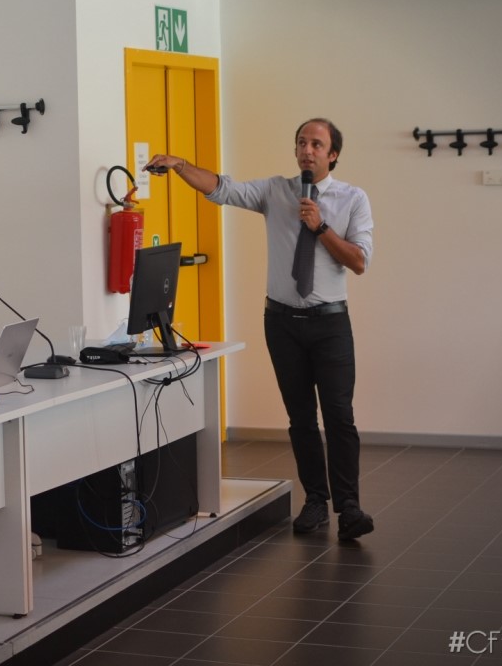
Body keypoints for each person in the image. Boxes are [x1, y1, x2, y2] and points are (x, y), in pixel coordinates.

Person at [146, 118, 375, 540]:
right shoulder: (275, 190)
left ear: (333, 155)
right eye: (302, 142)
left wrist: (321, 227)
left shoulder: (353, 199)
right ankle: (316, 501)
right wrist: (180, 165)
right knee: (301, 418)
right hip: (282, 323)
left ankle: (350, 508)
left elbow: (359, 261)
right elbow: (223, 189)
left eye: (317, 144)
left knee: (339, 416)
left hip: (330, 324)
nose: (307, 150)